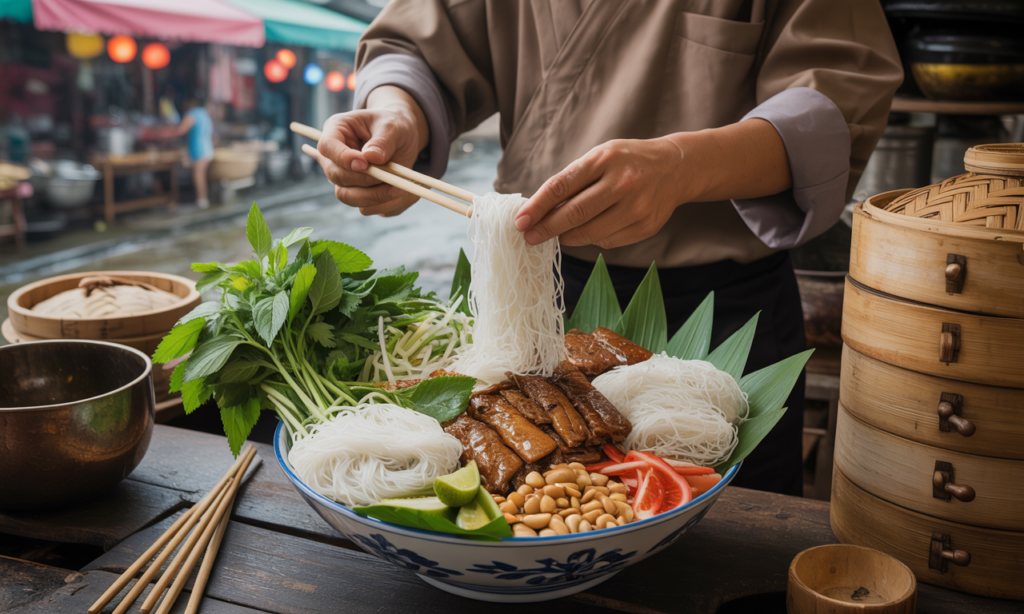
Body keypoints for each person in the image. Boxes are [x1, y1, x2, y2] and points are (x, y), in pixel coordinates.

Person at [312, 0, 903, 495]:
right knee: (532, 505)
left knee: (735, 541)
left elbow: (837, 100)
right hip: (536, 291)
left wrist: (685, 166)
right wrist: (397, 114)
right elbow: (419, 43)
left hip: (721, 307)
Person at [175, 94, 214, 209]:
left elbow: (181, 130)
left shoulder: (193, 113)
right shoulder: (204, 113)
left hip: (200, 150)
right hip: (207, 149)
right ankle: (202, 199)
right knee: (201, 175)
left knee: (198, 175)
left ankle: (202, 201)